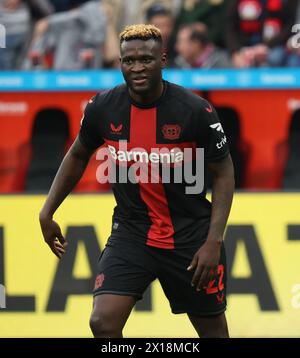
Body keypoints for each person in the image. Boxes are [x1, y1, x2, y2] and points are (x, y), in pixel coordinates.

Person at [39, 24, 235, 338]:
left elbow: (223, 173)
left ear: (163, 60)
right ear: (120, 63)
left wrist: (213, 241)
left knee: (214, 332)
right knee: (102, 323)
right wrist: (46, 211)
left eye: (146, 59)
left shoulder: (195, 111)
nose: (137, 67)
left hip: (191, 238)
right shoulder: (103, 107)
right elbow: (77, 154)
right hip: (132, 233)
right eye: (129, 61)